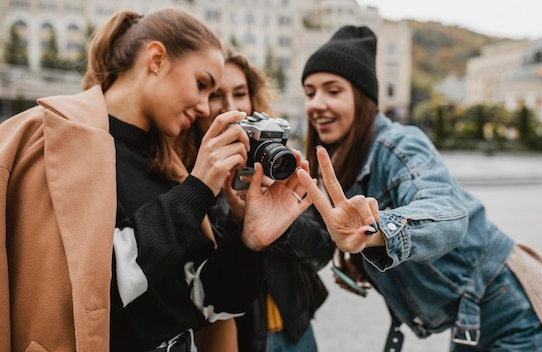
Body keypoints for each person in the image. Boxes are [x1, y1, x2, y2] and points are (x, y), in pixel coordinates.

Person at [0, 8, 313, 352]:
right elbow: (85, 293)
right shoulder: (55, 138)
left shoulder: (167, 163)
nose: (206, 107)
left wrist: (249, 242)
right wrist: (196, 191)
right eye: (202, 84)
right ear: (156, 59)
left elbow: (207, 305)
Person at [295, 25, 542, 352]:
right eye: (310, 92)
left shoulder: (399, 144)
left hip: (521, 313)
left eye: (333, 90)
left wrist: (376, 232)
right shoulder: (342, 161)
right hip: (475, 317)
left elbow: (447, 211)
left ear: (363, 97)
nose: (317, 103)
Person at [179, 49, 333, 352]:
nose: (231, 108)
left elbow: (322, 249)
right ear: (196, 103)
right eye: (215, 95)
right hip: (238, 338)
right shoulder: (186, 175)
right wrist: (239, 220)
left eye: (240, 94)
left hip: (295, 328)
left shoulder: (279, 159)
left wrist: (283, 224)